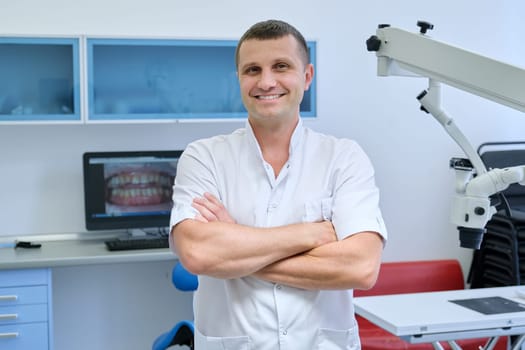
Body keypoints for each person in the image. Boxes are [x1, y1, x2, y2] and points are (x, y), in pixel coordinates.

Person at [169, 19, 387, 350]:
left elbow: (361, 267)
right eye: (252, 70)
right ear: (240, 80)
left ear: (307, 76)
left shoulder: (344, 158)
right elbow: (198, 254)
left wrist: (236, 245)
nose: (266, 81)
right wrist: (309, 235)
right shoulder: (204, 157)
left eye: (281, 66)